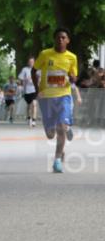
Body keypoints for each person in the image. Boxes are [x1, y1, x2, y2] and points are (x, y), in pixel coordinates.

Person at [34, 28, 81, 173]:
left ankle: (57, 160)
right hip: (47, 97)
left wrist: (73, 78)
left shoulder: (72, 57)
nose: (60, 40)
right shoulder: (45, 54)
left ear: (68, 40)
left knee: (61, 128)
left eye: (63, 38)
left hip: (63, 95)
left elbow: (74, 76)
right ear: (54, 39)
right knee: (50, 134)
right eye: (58, 37)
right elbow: (33, 70)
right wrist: (37, 90)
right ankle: (61, 148)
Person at [18, 56, 38, 127]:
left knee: (34, 104)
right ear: (28, 63)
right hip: (27, 90)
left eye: (32, 62)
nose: (31, 63)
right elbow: (20, 79)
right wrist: (24, 80)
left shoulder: (37, 70)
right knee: (29, 106)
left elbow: (41, 78)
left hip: (35, 90)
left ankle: (34, 120)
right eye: (30, 62)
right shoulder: (25, 70)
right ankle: (29, 118)